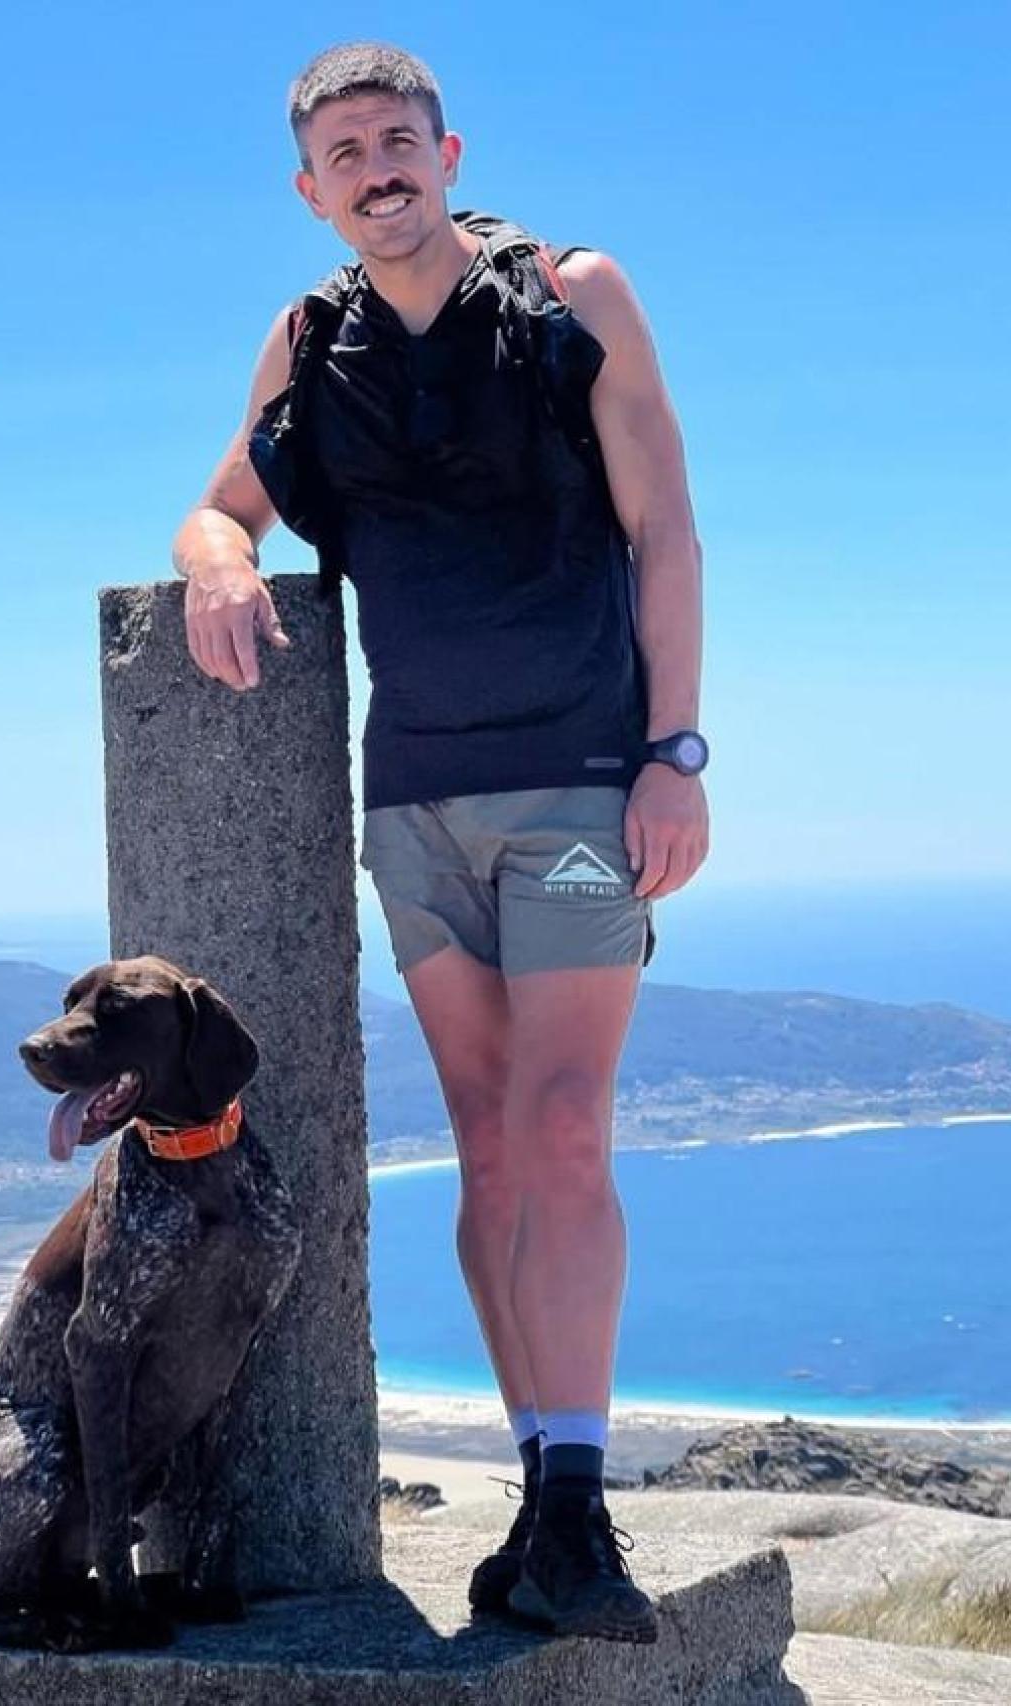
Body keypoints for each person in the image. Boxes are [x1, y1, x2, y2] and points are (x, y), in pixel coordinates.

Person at [172, 41, 709, 1643]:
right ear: (310, 190)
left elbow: (665, 524)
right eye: (344, 153)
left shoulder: (570, 296)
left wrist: (675, 749)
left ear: (448, 148)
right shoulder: (307, 343)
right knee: (483, 1139)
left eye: (398, 139)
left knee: (561, 1131)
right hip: (407, 794)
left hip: (575, 776)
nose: (377, 168)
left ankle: (578, 1504)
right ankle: (546, 1483)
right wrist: (214, 565)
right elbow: (219, 508)